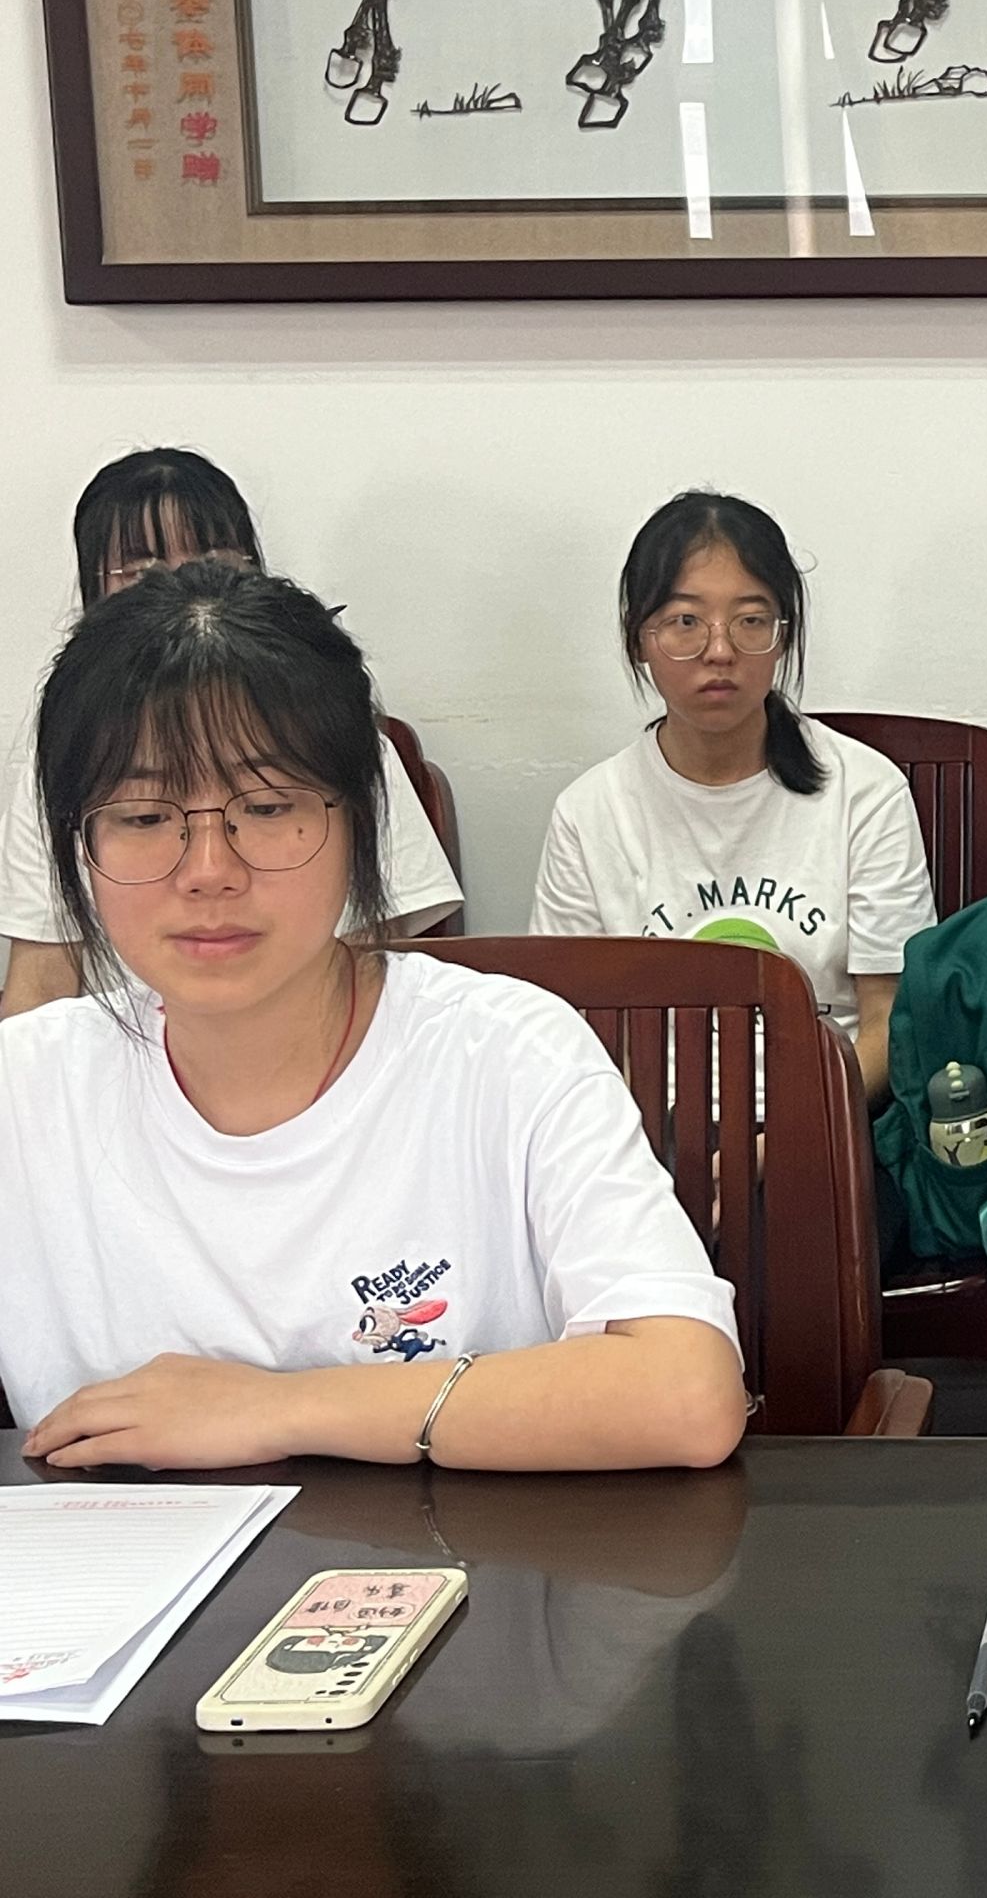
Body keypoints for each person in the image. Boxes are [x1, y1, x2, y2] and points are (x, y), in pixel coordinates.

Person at [0, 562, 747, 1470]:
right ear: (76, 842)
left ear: (361, 823)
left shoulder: (509, 1053)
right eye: (145, 816)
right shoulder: (25, 1090)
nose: (208, 870)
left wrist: (274, 1409)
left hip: (464, 1560)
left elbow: (683, 1394)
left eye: (266, 807)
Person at [0, 447, 463, 1018]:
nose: (185, 585)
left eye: (267, 806)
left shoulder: (335, 736)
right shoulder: (68, 755)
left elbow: (378, 958)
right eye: (144, 816)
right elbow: (41, 979)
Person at [530, 492, 934, 1104]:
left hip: (826, 1120)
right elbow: (573, 1026)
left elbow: (888, 1021)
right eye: (685, 621)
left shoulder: (865, 792)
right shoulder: (589, 813)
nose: (719, 651)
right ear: (639, 638)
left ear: (782, 635)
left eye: (750, 620)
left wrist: (795, 1134)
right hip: (647, 1131)